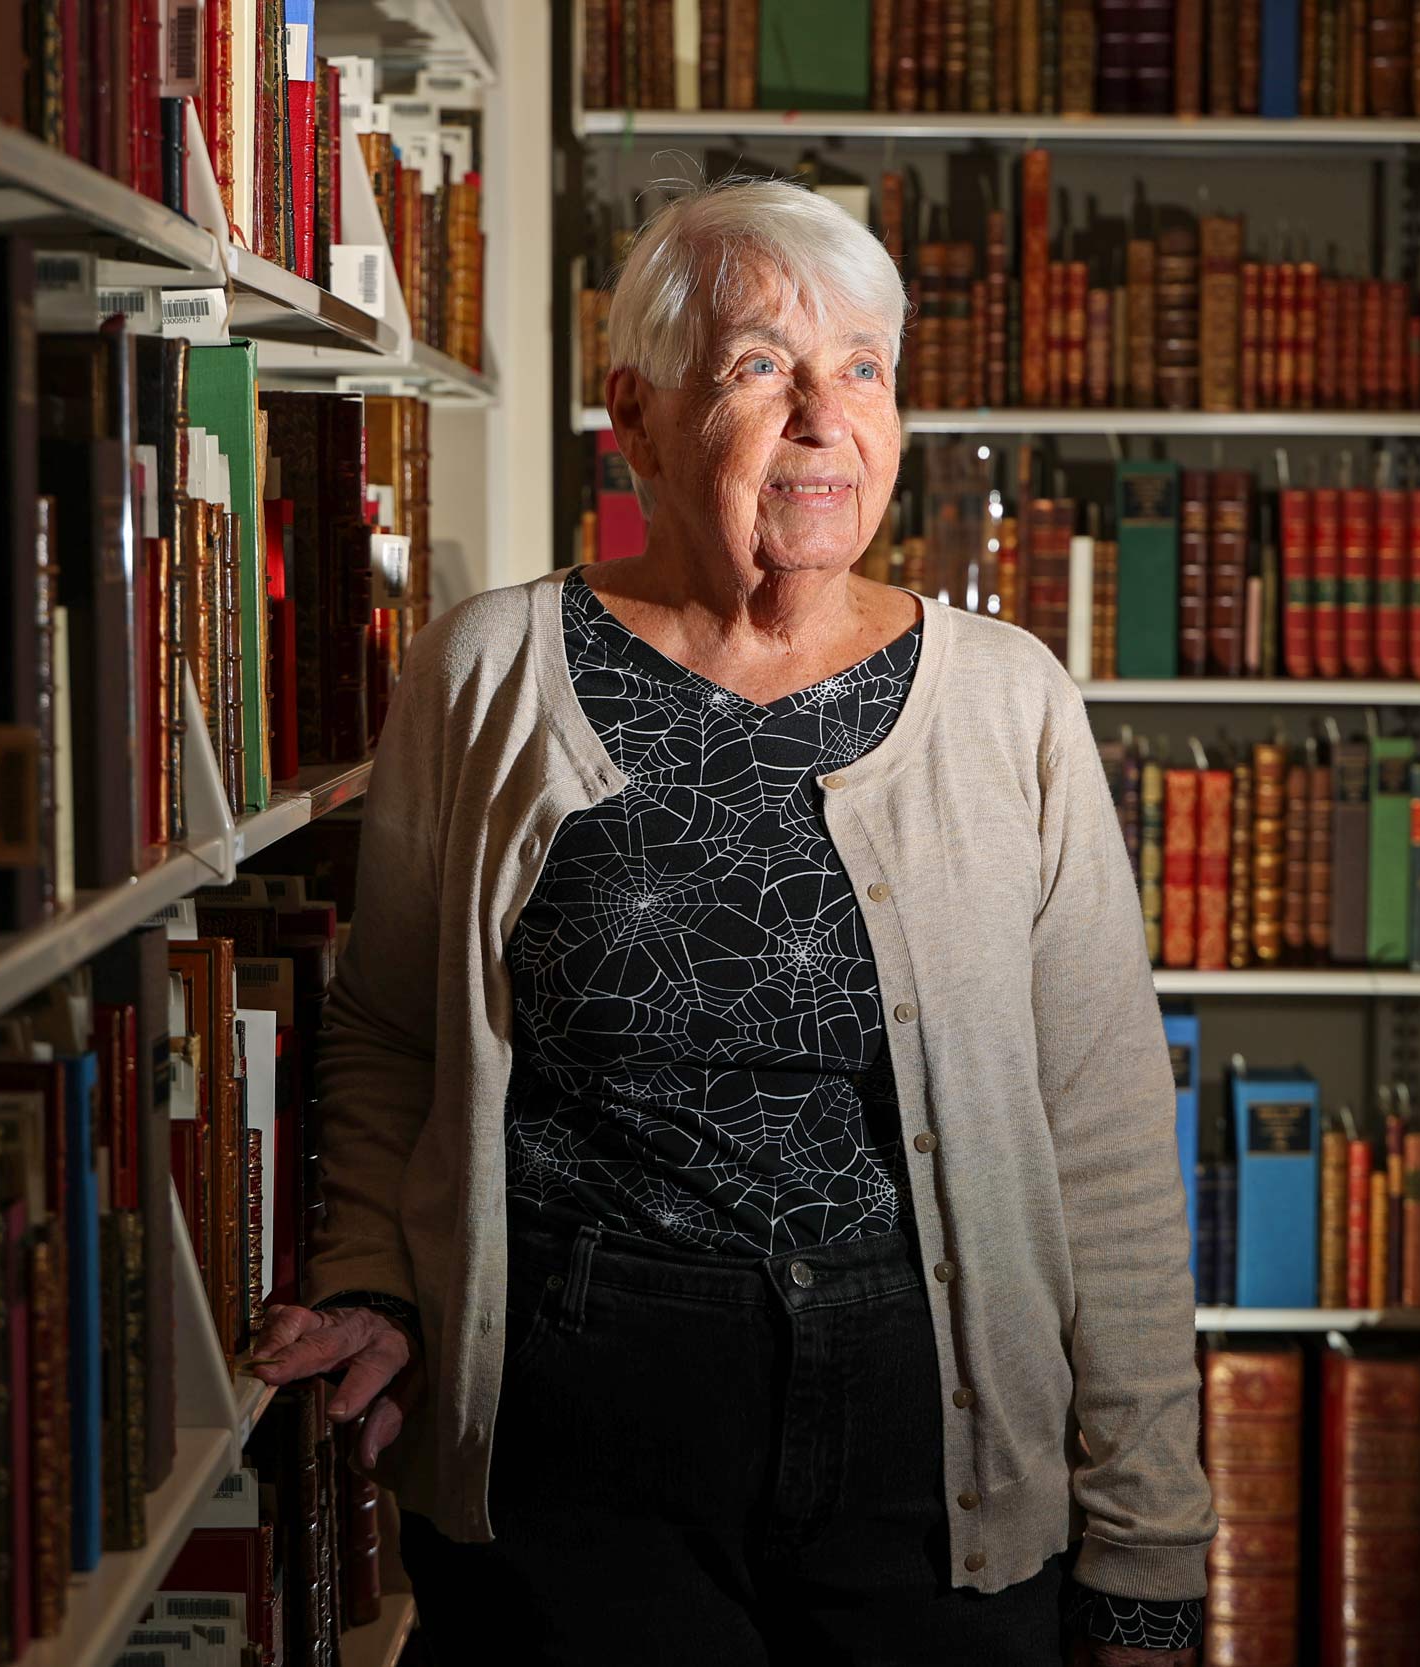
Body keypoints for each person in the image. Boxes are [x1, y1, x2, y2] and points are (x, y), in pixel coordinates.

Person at [245, 176, 1215, 1666]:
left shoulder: (1011, 696)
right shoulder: (485, 671)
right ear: (635, 415)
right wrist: (371, 1272)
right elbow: (387, 1035)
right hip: (580, 1449)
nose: (825, 418)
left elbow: (1105, 1133)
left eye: (863, 370)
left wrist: (1147, 1543)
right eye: (763, 366)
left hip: (935, 1434)